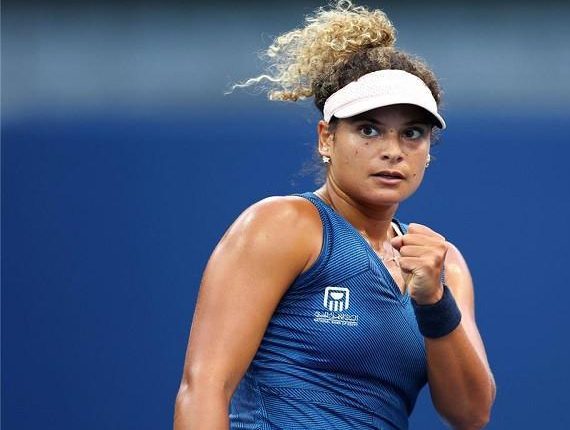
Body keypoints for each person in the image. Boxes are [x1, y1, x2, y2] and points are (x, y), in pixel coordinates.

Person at [173, 1, 496, 429]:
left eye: (412, 134)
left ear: (428, 151)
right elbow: (203, 387)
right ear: (327, 138)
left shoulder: (444, 266)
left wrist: (434, 301)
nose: (393, 150)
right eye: (368, 129)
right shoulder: (284, 225)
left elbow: (470, 413)